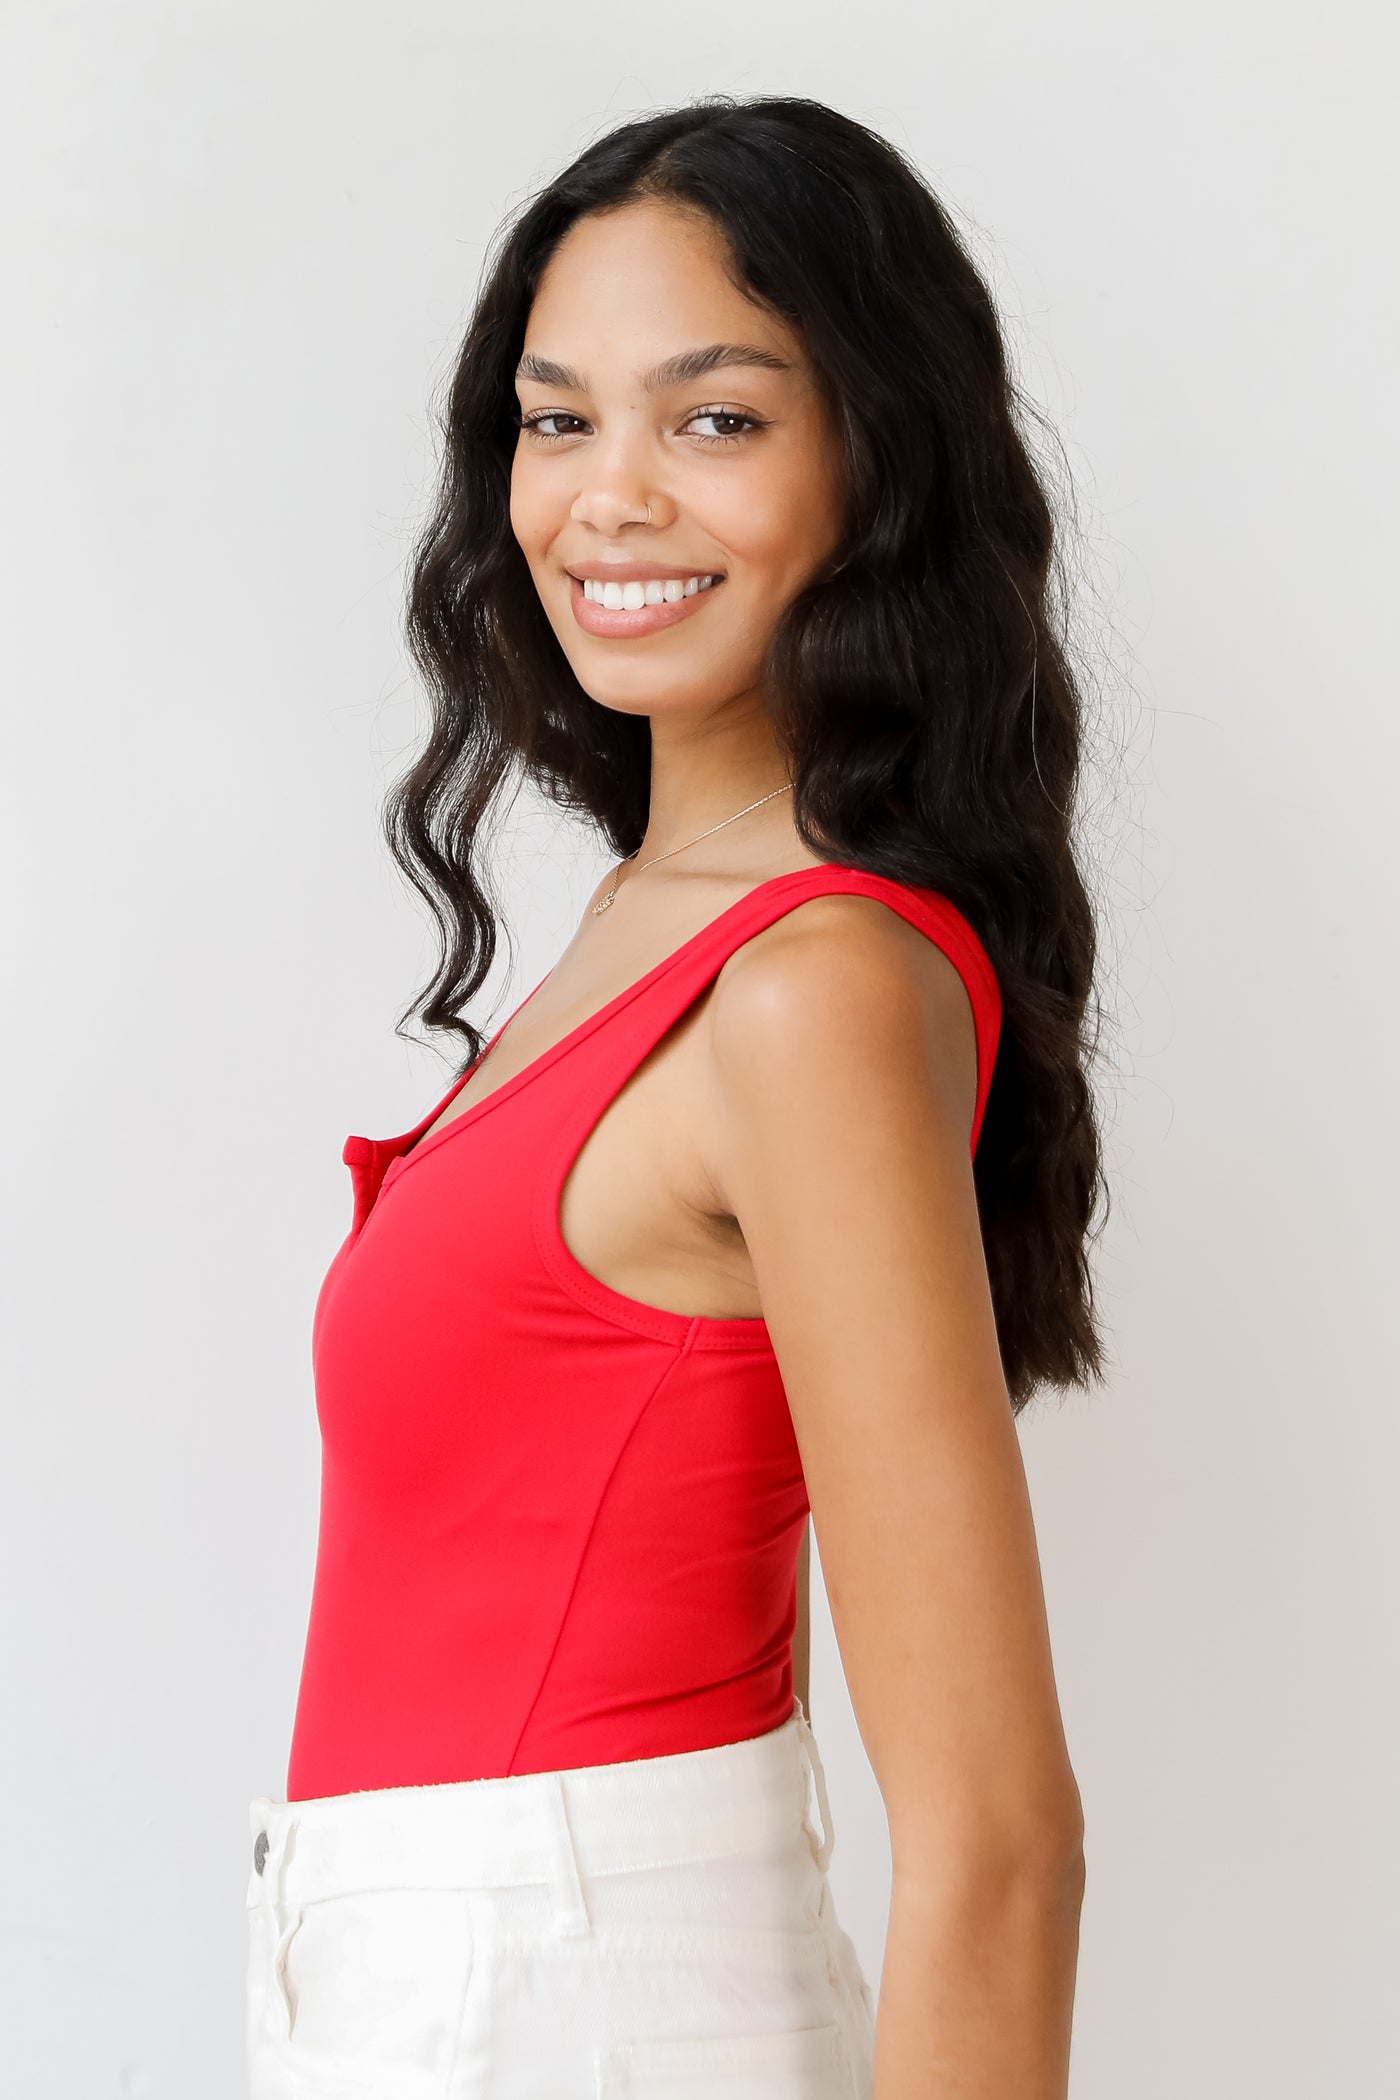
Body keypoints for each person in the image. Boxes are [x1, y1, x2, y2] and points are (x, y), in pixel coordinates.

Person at [245, 93, 1105, 2100]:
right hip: (450, 1991)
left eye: (713, 419)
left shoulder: (810, 988)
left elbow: (998, 1842)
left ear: (878, 461)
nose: (607, 496)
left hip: (569, 2006)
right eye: (557, 421)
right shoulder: (654, 922)